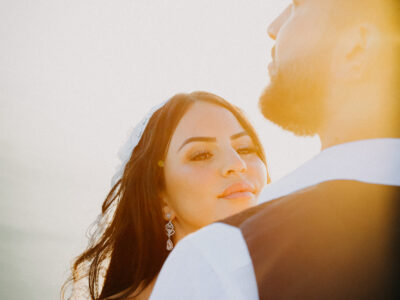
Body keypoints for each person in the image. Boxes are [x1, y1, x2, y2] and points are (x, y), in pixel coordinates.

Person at [150, 0, 400, 299]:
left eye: (296, 5)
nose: (273, 28)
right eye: (201, 154)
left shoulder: (224, 261)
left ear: (357, 47)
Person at [62, 91, 270, 300]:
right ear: (162, 199)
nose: (237, 164)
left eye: (244, 148)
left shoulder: (289, 281)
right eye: (201, 154)